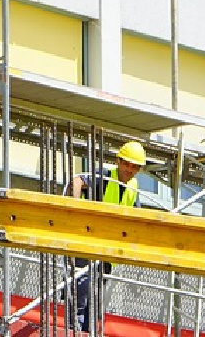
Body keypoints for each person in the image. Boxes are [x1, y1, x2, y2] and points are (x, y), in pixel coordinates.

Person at [67, 140, 146, 333]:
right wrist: (75, 210)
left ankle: (87, 332)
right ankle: (73, 331)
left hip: (107, 252)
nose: (130, 169)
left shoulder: (133, 187)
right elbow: (76, 181)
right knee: (80, 292)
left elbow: (138, 219)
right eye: (127, 164)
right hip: (87, 245)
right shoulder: (105, 175)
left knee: (95, 301)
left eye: (134, 166)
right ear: (118, 161)